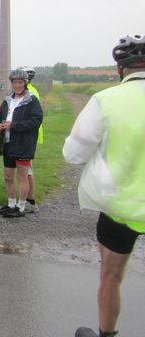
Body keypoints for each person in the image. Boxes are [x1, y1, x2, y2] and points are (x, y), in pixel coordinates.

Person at [64, 35, 145, 337]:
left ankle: (106, 334)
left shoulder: (105, 100)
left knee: (111, 275)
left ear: (119, 68)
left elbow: (73, 155)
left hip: (119, 205)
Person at [0, 69, 43, 218]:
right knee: (8, 176)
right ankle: (11, 204)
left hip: (23, 143)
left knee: (22, 176)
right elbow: (0, 117)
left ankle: (21, 207)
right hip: (8, 142)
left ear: (25, 83)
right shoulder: (8, 99)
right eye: (15, 82)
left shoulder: (31, 100)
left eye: (20, 82)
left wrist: (14, 125)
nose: (17, 85)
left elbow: (35, 121)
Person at [19, 65, 43, 213]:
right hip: (29, 134)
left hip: (29, 135)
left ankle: (31, 200)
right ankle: (29, 199)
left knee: (27, 170)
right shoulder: (31, 90)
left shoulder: (30, 93)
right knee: (27, 170)